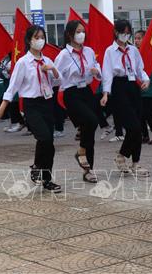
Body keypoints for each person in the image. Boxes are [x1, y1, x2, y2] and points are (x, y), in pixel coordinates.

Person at [0, 25, 62, 193]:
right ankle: (38, 166)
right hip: (31, 105)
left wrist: (52, 69)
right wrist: (2, 107)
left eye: (42, 37)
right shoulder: (23, 63)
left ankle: (46, 178)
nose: (40, 40)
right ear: (29, 40)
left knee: (49, 143)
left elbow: (58, 81)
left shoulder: (47, 61)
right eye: (36, 37)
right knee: (44, 138)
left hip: (47, 103)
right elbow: (13, 87)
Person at [100, 19, 151, 177]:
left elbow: (139, 68)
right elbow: (107, 72)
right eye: (124, 32)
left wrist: (146, 79)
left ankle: (135, 163)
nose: (126, 35)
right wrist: (105, 93)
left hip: (133, 87)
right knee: (133, 127)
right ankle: (121, 156)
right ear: (116, 32)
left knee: (138, 127)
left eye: (128, 32)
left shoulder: (133, 50)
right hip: (118, 87)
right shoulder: (110, 51)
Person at [54, 20, 101, 183]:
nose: (82, 35)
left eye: (83, 31)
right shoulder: (63, 55)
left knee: (90, 129)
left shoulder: (89, 51)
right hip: (71, 93)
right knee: (91, 121)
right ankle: (81, 151)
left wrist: (97, 72)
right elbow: (56, 77)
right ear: (69, 34)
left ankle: (89, 169)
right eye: (78, 32)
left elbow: (97, 68)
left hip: (87, 91)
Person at [134, 30, 152, 145]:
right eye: (135, 38)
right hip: (139, 87)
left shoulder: (150, 53)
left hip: (149, 88)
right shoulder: (135, 52)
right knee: (140, 113)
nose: (136, 41)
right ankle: (144, 135)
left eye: (139, 38)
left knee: (147, 113)